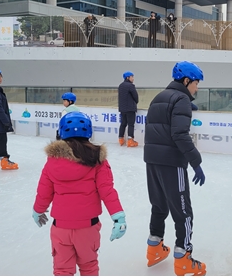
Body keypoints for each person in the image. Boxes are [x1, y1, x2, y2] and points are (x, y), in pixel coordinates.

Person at [33, 112, 126, 276]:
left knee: (62, 270)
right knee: (89, 267)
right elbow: (107, 190)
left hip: (61, 227)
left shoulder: (52, 161)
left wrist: (38, 210)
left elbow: (44, 191)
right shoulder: (98, 159)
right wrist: (118, 217)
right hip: (88, 228)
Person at [144, 61, 208, 275]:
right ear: (186, 81)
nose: (197, 88)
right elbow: (179, 134)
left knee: (159, 206)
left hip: (152, 160)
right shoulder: (180, 99)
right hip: (172, 162)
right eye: (196, 83)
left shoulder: (159, 97)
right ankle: (184, 258)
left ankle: (154, 249)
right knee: (183, 213)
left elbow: (162, 123)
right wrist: (196, 162)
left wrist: (186, 106)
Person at [118, 72, 139, 148]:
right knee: (131, 124)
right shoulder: (131, 86)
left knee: (123, 123)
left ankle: (121, 139)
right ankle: (130, 141)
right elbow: (135, 96)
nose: (133, 78)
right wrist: (135, 102)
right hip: (130, 108)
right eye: (132, 77)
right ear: (127, 78)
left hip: (122, 108)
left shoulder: (121, 86)